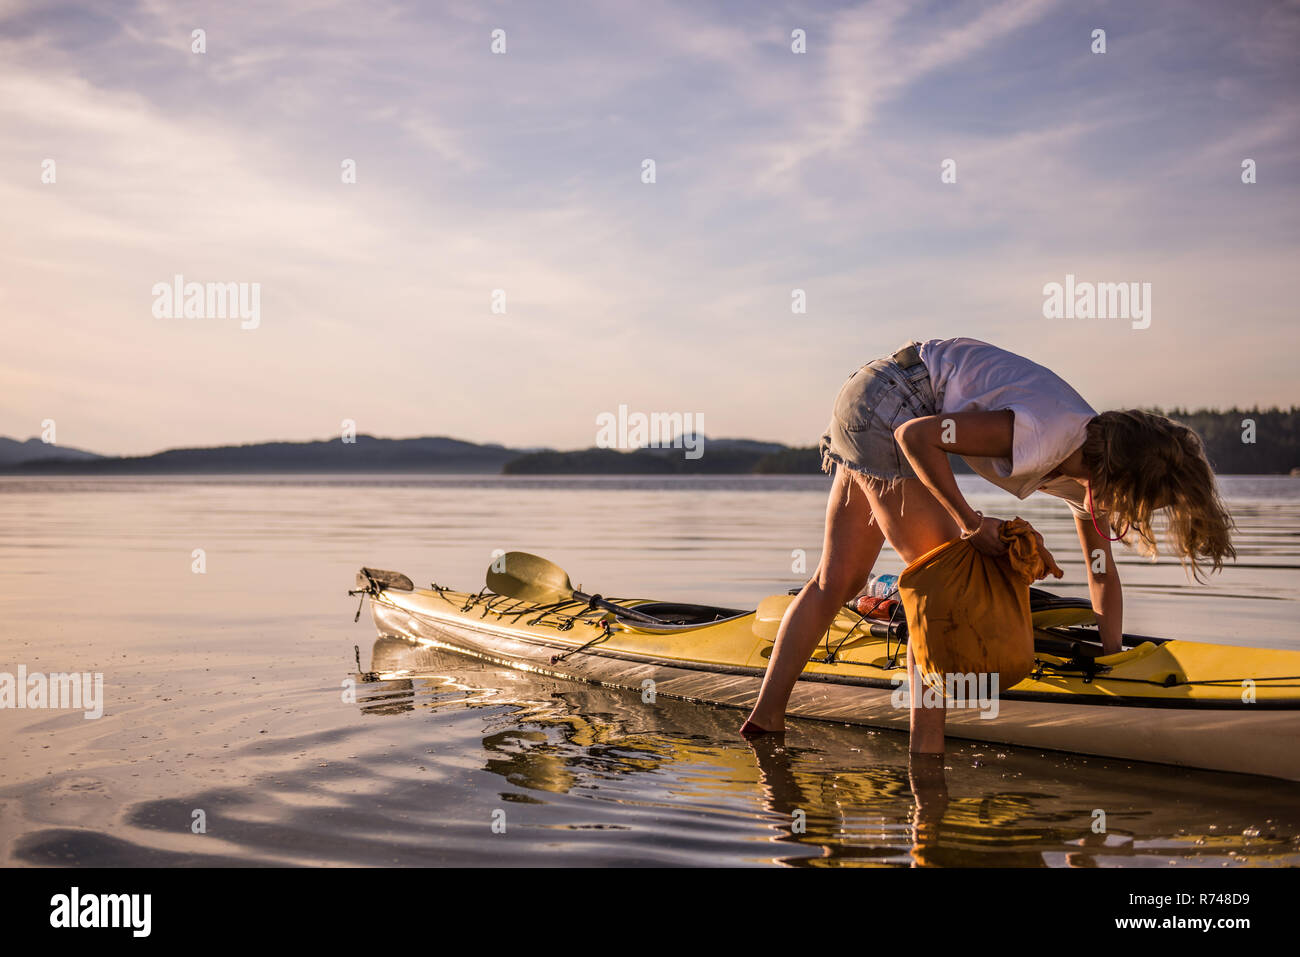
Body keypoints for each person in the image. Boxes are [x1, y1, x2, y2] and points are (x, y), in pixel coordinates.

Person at [740, 337, 1235, 752]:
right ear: (1121, 471)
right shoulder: (1047, 433)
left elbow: (1101, 574)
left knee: (838, 579)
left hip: (873, 392)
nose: (1133, 513)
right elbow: (917, 438)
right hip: (892, 403)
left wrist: (1111, 659)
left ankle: (764, 721)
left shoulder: (1089, 471)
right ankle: (926, 766)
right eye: (1139, 497)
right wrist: (970, 522)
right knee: (944, 584)